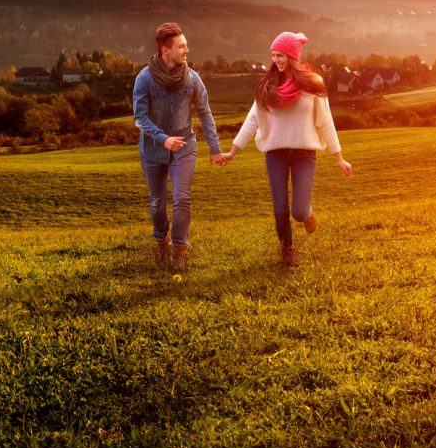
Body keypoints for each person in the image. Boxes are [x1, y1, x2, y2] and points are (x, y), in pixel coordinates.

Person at [221, 31, 352, 266]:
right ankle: (287, 248)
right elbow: (253, 120)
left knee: (298, 212)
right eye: (273, 55)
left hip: (304, 154)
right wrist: (233, 151)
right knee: (280, 208)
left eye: (280, 55)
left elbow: (326, 122)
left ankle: (308, 214)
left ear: (292, 56)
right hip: (276, 154)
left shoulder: (313, 85)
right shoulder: (267, 86)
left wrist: (339, 158)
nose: (276, 60)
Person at [132, 22, 226, 272]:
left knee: (182, 199)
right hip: (153, 148)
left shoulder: (192, 78)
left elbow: (205, 113)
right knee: (156, 202)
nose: (187, 50)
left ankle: (179, 250)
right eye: (182, 46)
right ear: (166, 50)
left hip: (184, 144)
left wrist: (215, 148)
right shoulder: (144, 78)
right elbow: (139, 118)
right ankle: (161, 238)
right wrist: (163, 138)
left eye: (186, 45)